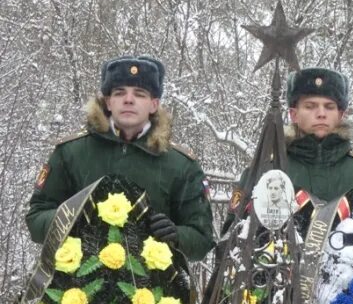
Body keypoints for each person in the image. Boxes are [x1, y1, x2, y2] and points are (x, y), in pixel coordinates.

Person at [26, 55, 215, 262]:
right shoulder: (71, 153)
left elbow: (202, 239)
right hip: (75, 286)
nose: (128, 99)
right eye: (119, 92)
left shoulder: (180, 165)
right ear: (108, 102)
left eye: (140, 94)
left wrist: (177, 236)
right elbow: (36, 219)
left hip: (155, 288)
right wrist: (70, 220)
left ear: (154, 104)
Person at [227, 67, 353, 222]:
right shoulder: (266, 170)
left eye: (329, 107)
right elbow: (230, 237)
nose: (321, 114)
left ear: (341, 115)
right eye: (310, 106)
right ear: (293, 114)